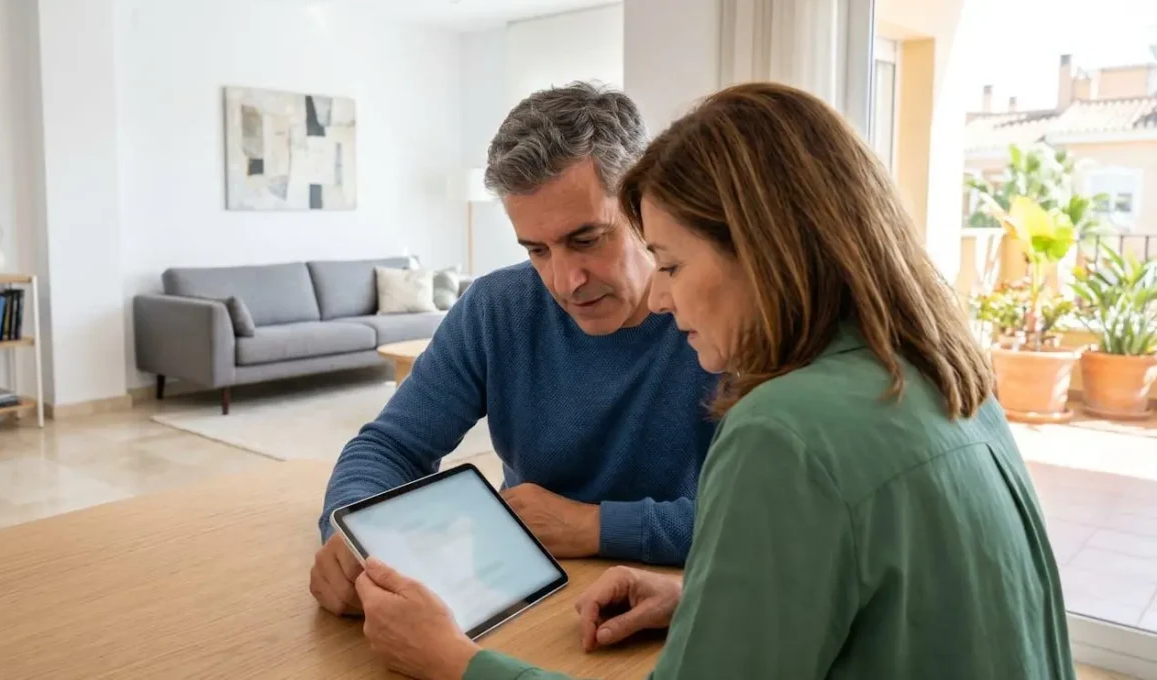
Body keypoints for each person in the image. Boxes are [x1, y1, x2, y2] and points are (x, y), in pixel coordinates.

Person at [349, 82, 1075, 680]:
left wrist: (456, 663)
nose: (661, 299)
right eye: (535, 250)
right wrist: (704, 595)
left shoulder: (785, 426)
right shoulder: (946, 376)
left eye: (669, 263)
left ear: (762, 249)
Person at [310, 82, 718, 617]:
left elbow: (762, 524)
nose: (565, 280)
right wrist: (351, 527)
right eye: (537, 250)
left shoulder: (718, 317)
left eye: (588, 238)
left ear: (646, 205)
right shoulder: (496, 307)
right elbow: (390, 446)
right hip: (519, 591)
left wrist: (596, 526)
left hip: (673, 600)